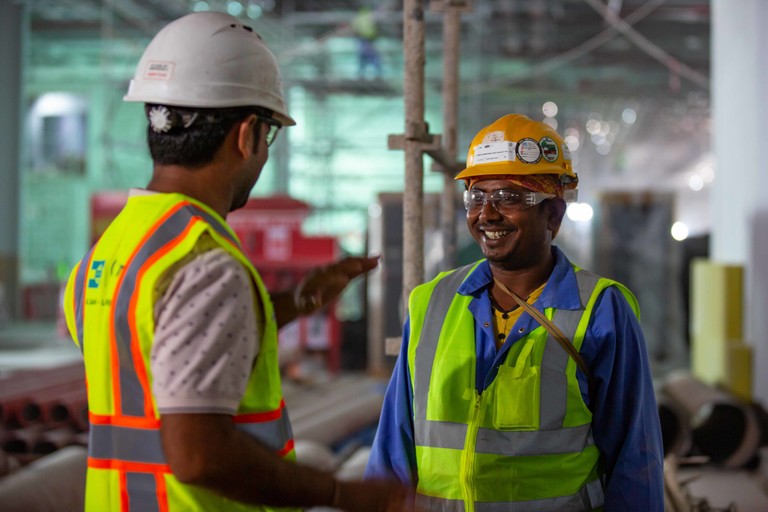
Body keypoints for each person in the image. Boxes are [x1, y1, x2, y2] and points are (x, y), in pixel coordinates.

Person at [62, 11, 416, 512]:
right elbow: (200, 456)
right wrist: (343, 492)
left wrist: (294, 302)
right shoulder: (205, 262)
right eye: (269, 136)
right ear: (247, 133)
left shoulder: (110, 252)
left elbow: (163, 346)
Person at [364, 114, 665, 510]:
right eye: (477, 196)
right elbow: (392, 452)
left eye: (508, 197)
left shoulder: (601, 311)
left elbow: (635, 460)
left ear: (553, 214)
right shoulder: (431, 303)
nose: (487, 214)